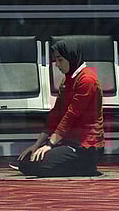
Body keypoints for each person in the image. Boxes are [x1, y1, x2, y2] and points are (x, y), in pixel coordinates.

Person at [9, 39, 105, 177]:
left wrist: (50, 144)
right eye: (55, 60)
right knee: (26, 161)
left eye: (60, 60)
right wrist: (37, 144)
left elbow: (71, 115)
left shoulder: (87, 79)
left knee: (37, 165)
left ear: (71, 57)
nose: (57, 65)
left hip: (85, 146)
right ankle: (73, 165)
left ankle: (85, 167)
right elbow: (56, 113)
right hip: (68, 141)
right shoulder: (67, 79)